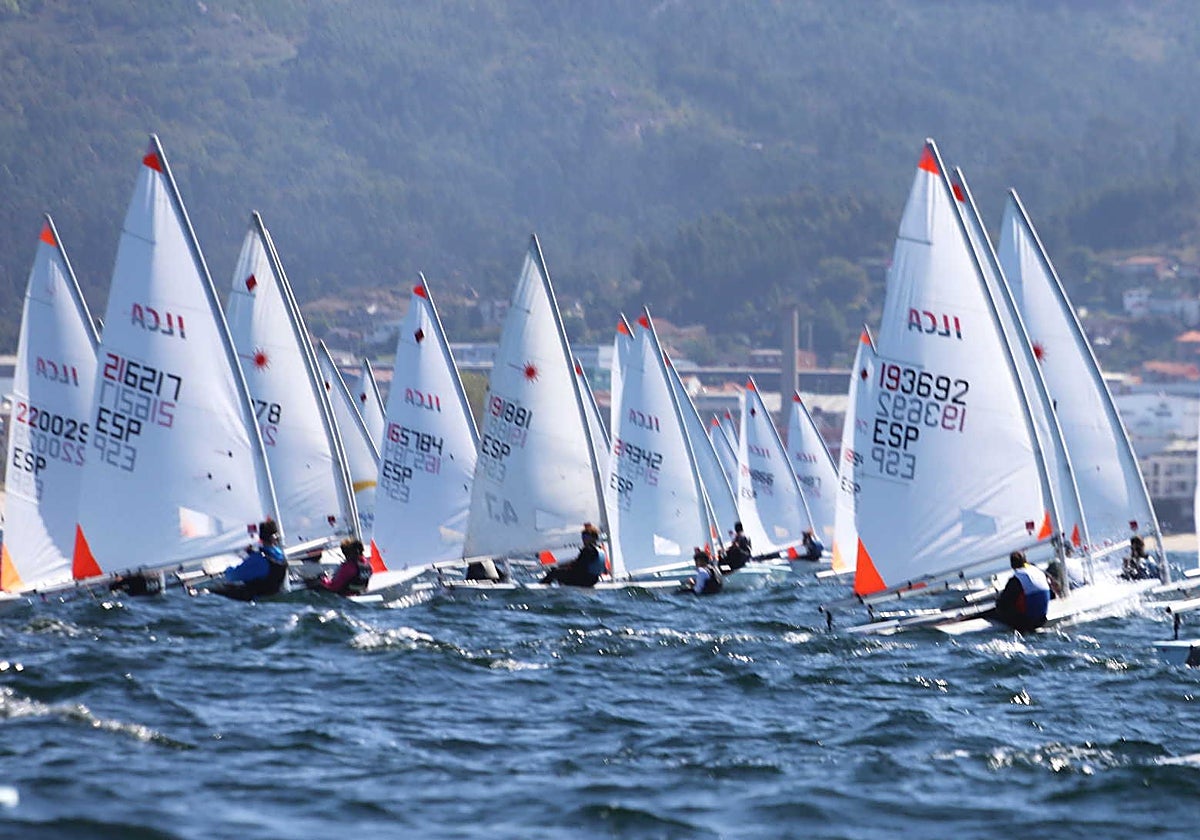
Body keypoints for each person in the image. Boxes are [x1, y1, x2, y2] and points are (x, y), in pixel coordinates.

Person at [213, 519, 288, 601]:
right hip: (275, 594)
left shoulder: (258, 559)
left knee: (212, 590)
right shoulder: (281, 554)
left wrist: (227, 569)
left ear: (260, 537)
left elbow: (231, 576)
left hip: (257, 598)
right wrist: (252, 554)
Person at [990, 550, 1051, 632]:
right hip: (1042, 619)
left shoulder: (1016, 579)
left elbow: (1003, 602)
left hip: (1026, 623)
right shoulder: (1038, 571)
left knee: (994, 612)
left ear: (1012, 565)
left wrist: (997, 601)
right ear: (1025, 560)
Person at [539, 522, 606, 587]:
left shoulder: (588, 550)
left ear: (593, 538)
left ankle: (541, 587)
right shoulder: (599, 549)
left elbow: (578, 565)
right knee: (560, 572)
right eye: (583, 537)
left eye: (586, 537)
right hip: (593, 580)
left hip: (584, 580)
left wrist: (562, 567)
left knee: (554, 572)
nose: (583, 539)